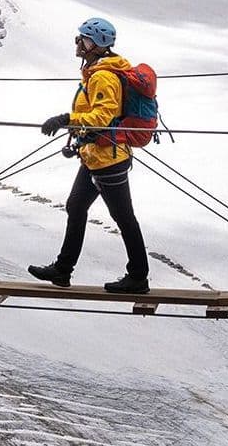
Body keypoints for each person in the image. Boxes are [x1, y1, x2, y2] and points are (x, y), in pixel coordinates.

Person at [27, 16, 150, 295]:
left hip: (109, 160)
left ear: (96, 44)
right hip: (95, 155)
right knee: (76, 206)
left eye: (83, 38)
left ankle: (138, 276)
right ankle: (62, 271)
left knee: (123, 217)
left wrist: (64, 119)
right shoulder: (96, 71)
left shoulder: (104, 76)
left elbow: (102, 116)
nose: (78, 43)